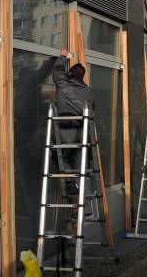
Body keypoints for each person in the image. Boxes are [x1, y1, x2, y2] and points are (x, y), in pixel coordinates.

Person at [52, 48, 95, 195]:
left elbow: (57, 71)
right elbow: (92, 113)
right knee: (81, 167)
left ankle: (72, 183)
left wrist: (63, 57)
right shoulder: (89, 92)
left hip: (65, 133)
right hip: (83, 135)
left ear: (69, 74)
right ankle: (87, 207)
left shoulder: (63, 85)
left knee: (59, 159)